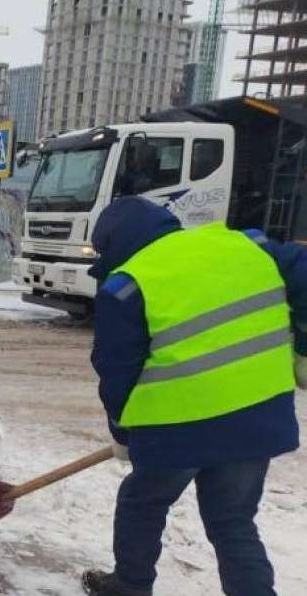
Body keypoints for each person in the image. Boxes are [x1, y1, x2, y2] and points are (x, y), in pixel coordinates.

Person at [83, 197, 303, 595]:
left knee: (143, 505)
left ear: (116, 247)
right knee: (233, 520)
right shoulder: (247, 245)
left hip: (177, 428)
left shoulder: (126, 286)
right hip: (256, 419)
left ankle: (130, 586)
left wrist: (121, 429)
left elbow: (116, 371)